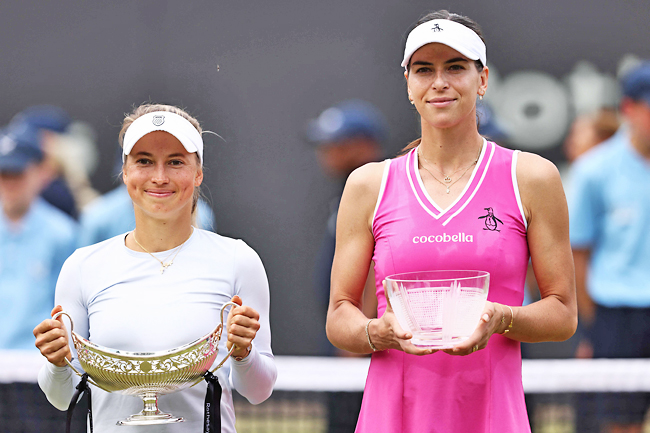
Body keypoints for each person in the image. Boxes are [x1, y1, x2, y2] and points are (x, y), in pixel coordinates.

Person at [325, 10, 577, 433]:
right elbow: (338, 316)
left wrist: (502, 318)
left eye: (455, 67)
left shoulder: (531, 178)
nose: (439, 82)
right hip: (391, 416)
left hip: (493, 414)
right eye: (424, 70)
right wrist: (376, 331)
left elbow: (563, 313)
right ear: (408, 84)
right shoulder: (369, 184)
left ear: (482, 80)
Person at [33, 103, 276, 432]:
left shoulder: (238, 260)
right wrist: (57, 362)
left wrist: (244, 352)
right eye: (144, 161)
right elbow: (62, 396)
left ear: (198, 172)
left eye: (175, 162)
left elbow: (258, 391)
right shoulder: (81, 267)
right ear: (125, 172)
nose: (159, 177)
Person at [569, 61, 650, 433]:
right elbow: (577, 255)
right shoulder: (595, 171)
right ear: (629, 109)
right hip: (618, 318)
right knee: (620, 424)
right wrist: (594, 326)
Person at [307, 100, 385, 433]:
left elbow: (372, 269)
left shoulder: (375, 190)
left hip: (358, 350)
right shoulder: (347, 193)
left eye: (336, 143)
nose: (325, 151)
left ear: (364, 146)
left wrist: (355, 343)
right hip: (347, 341)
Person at [0, 122, 77, 349]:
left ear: (40, 172)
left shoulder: (62, 233)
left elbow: (68, 310)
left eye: (17, 173)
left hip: (35, 363)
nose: (9, 183)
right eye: (3, 173)